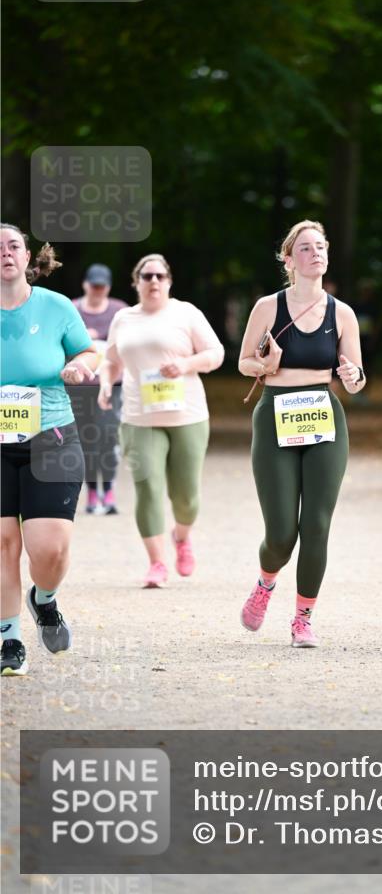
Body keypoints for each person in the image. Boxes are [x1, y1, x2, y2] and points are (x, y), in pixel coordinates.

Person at [238, 220, 366, 648]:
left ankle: (303, 619)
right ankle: (265, 582)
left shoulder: (342, 312)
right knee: (280, 534)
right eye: (306, 248)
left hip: (322, 414)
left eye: (321, 247)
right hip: (275, 411)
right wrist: (266, 365)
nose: (316, 254)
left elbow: (356, 378)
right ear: (289, 260)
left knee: (317, 524)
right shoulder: (267, 307)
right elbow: (243, 364)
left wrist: (352, 375)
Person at [1, 224, 97, 676]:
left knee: (50, 551)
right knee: (3, 544)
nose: (5, 253)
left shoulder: (55, 307)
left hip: (51, 436)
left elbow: (88, 352)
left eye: (13, 246)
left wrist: (78, 366)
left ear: (27, 257)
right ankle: (9, 638)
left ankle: (44, 598)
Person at [98, 254, 224, 587]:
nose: (154, 281)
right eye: (147, 276)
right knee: (147, 488)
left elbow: (216, 354)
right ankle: (156, 564)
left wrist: (185, 365)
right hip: (139, 417)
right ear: (136, 281)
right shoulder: (124, 319)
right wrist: (105, 385)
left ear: (169, 281)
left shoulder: (186, 313)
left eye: (160, 276)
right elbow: (110, 361)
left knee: (186, 497)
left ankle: (181, 537)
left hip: (187, 415)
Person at [71, 263, 127, 515]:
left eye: (101, 286)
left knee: (109, 437)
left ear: (108, 287)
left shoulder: (119, 311)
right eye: (93, 285)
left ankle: (110, 488)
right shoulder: (71, 310)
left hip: (113, 385)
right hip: (81, 387)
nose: (97, 290)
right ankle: (93, 490)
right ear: (85, 285)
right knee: (87, 441)